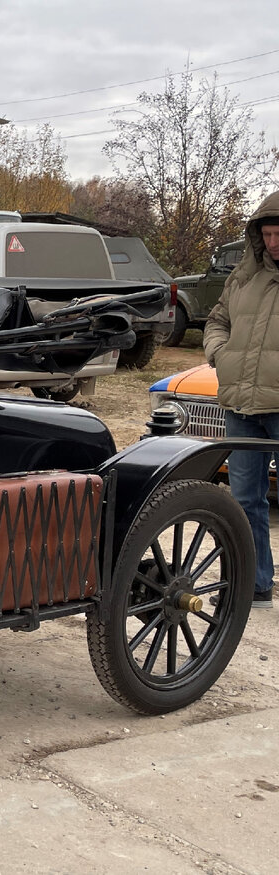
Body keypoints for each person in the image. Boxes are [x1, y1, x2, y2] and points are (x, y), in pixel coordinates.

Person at [204, 191, 279, 609]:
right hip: (240, 405)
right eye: (266, 233)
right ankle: (254, 582)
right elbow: (217, 320)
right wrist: (220, 353)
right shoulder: (242, 277)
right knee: (245, 499)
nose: (273, 242)